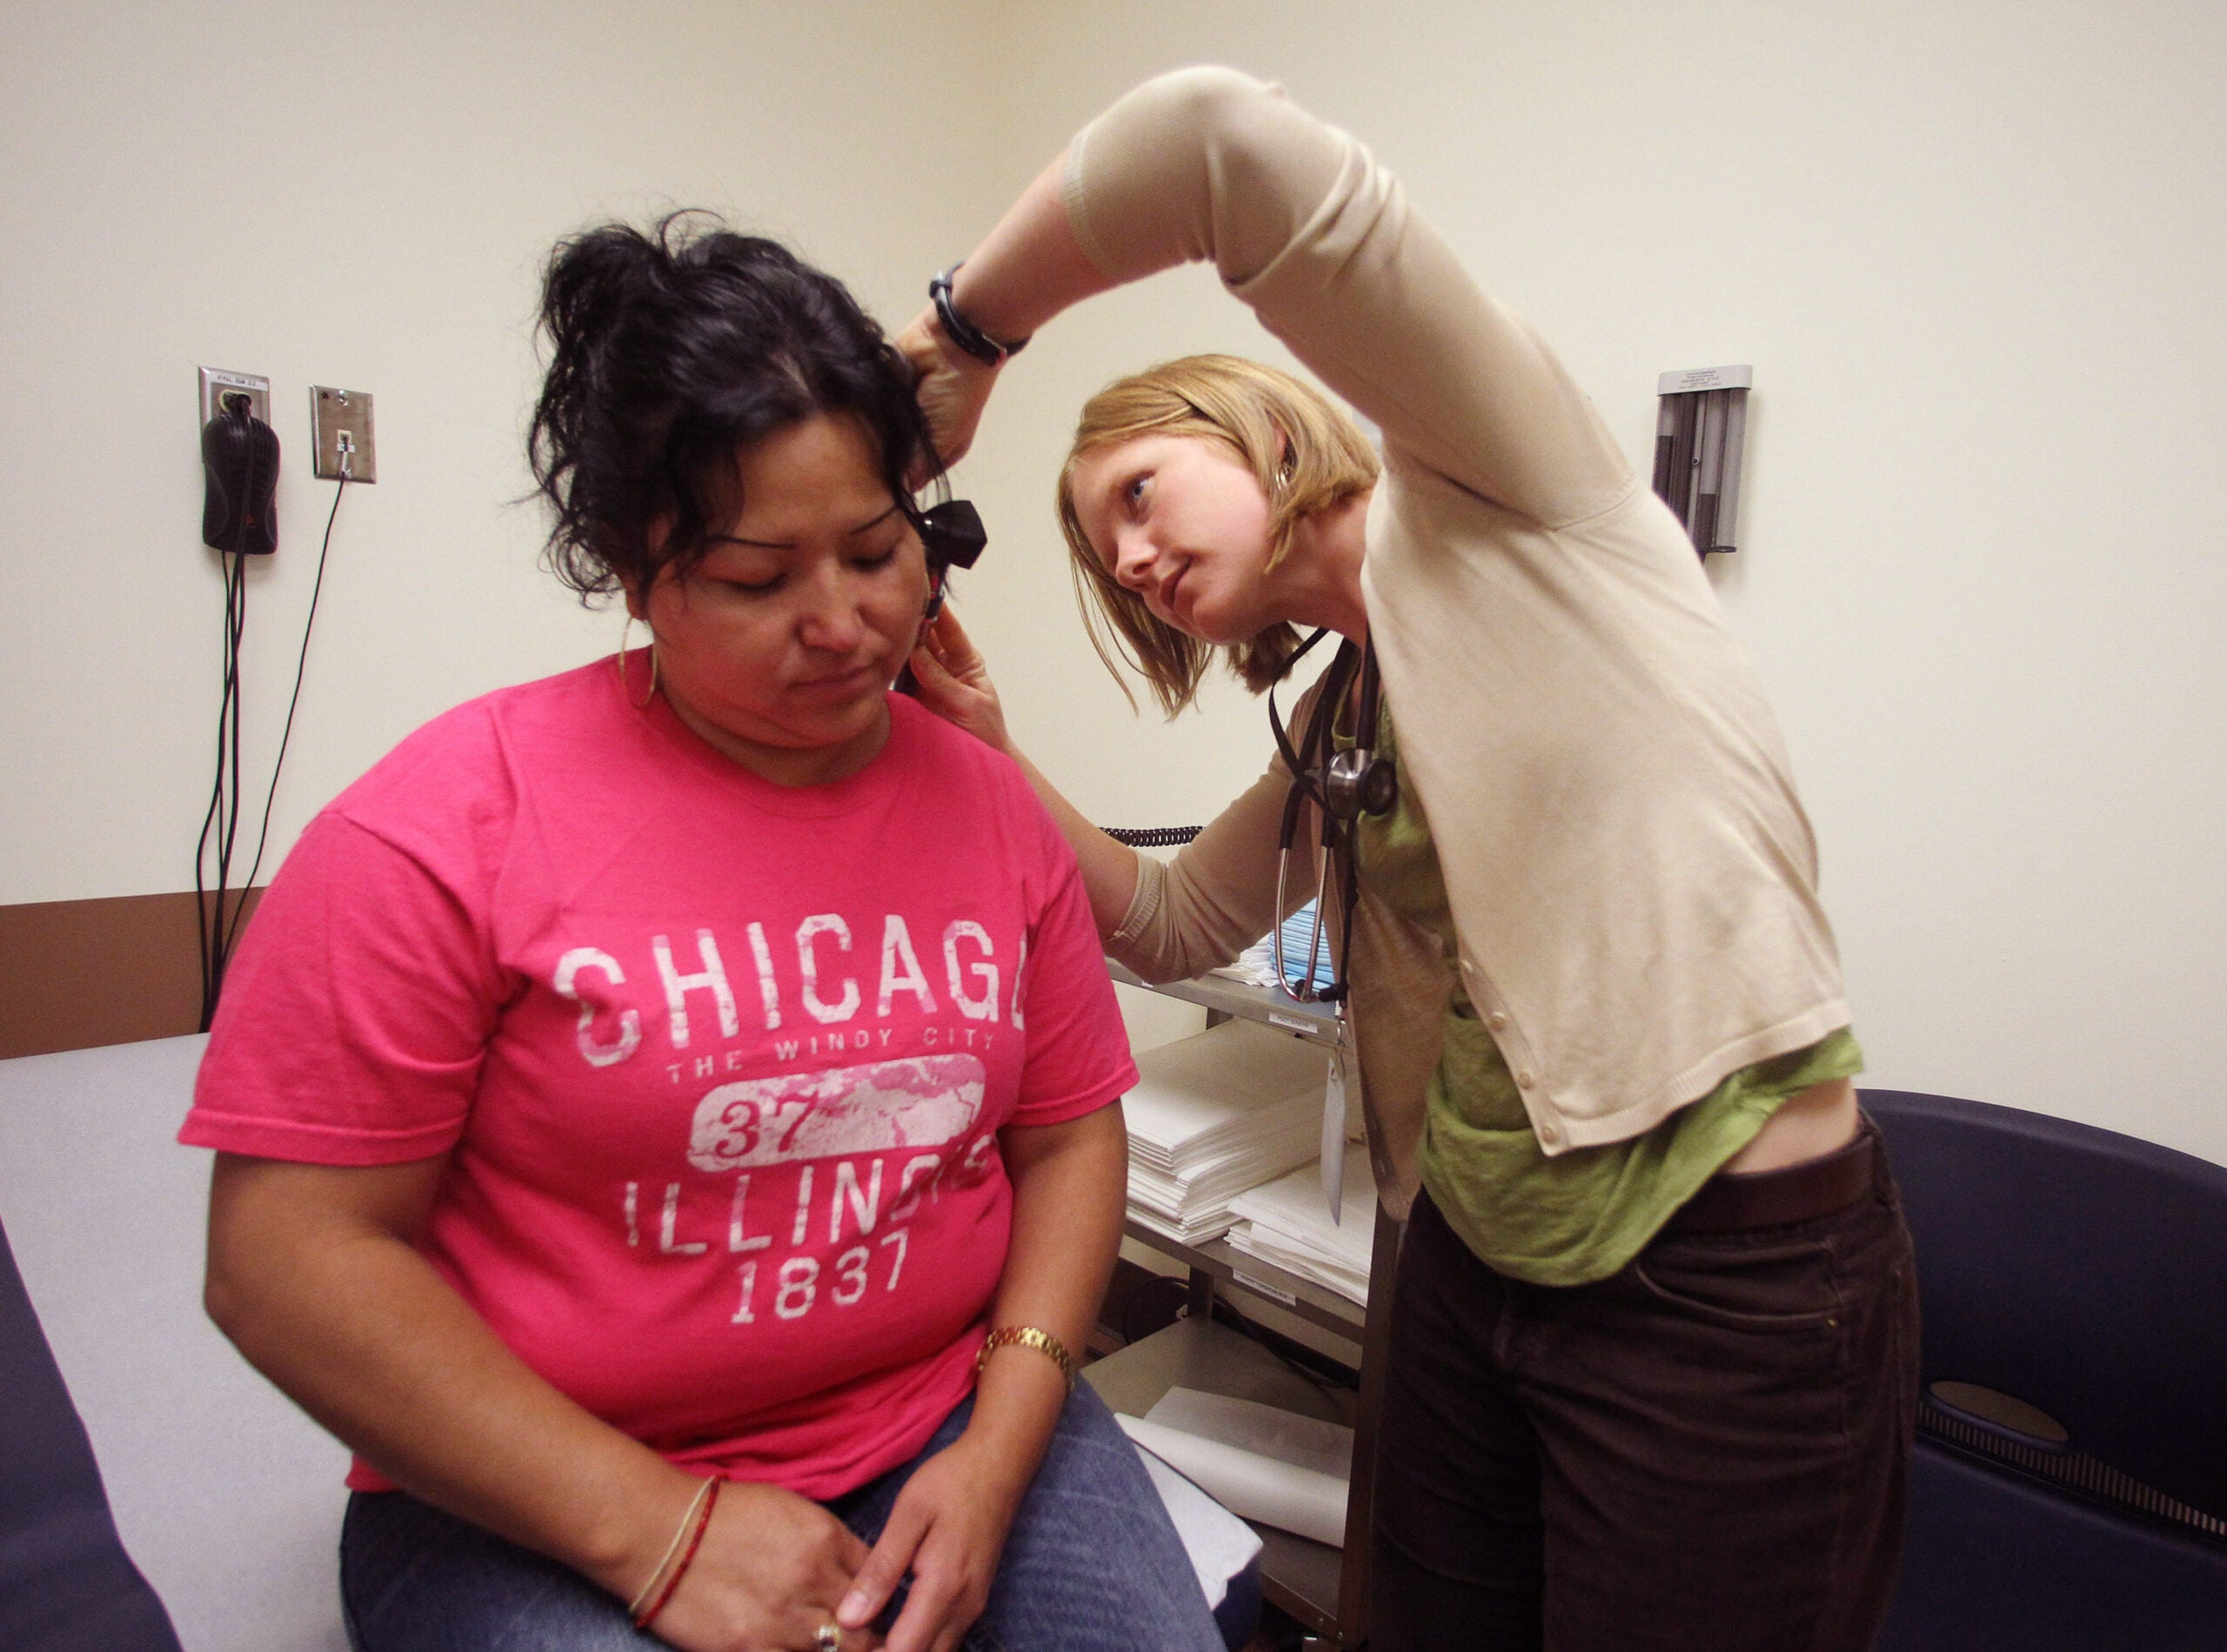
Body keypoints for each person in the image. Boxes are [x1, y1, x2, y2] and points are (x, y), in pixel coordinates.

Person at [895, 68, 1920, 1652]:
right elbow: (1177, 925)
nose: (1137, 558)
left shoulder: (1511, 499)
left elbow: (1213, 147)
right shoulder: (1349, 712)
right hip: (1468, 1255)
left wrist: (966, 339)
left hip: (1715, 1277)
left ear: (1251, 423)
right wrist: (984, 746)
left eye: (1141, 494)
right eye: (1110, 557)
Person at [183, 216, 1226, 1652]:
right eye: (756, 579)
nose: (846, 623)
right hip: (533, 1481)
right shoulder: (438, 828)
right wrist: (654, 1529)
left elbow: (1066, 1138)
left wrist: (1001, 1439)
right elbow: (284, 1260)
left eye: (877, 551)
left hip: (942, 1418)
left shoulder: (989, 810)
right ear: (630, 565)